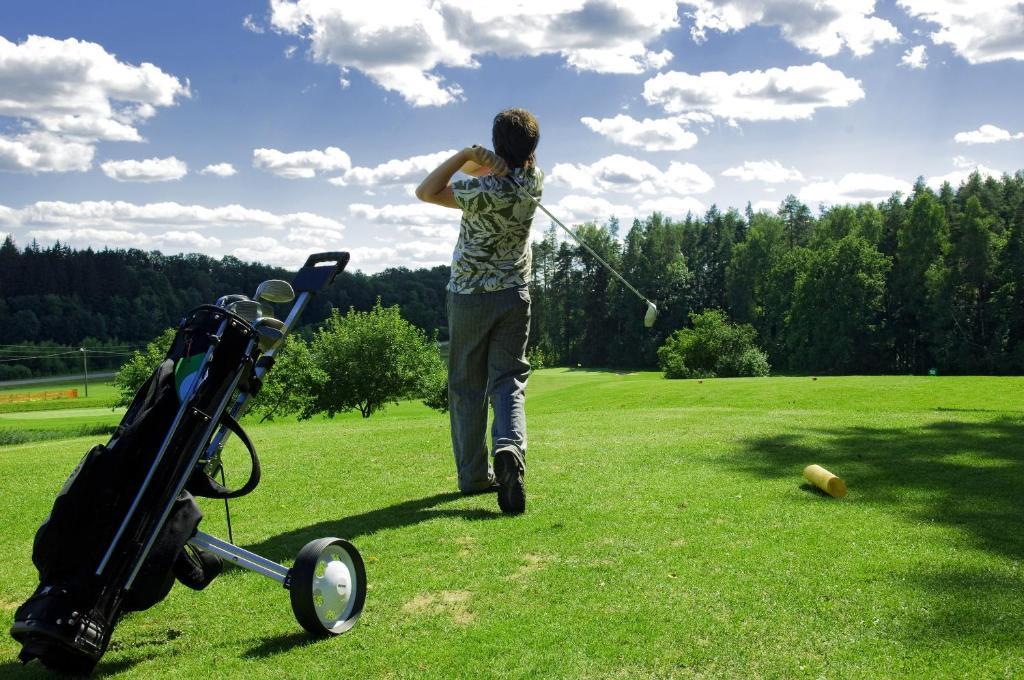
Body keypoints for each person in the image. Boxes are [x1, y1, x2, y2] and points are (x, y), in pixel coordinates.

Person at [414, 108, 542, 515]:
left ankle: (473, 476)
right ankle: (509, 446)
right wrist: (492, 161)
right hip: (514, 294)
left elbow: (427, 191)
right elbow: (509, 164)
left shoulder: (480, 190)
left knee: (467, 387)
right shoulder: (534, 181)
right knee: (508, 380)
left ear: (496, 143)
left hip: (469, 296)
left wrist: (467, 153)